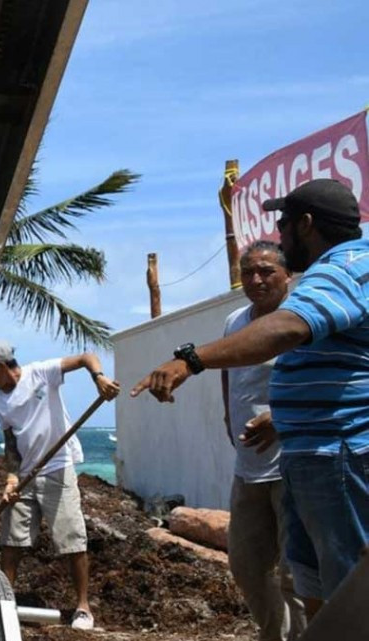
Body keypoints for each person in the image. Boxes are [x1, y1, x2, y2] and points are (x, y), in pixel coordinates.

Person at [130, 179, 369, 617]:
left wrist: (190, 360)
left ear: (307, 224)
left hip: (336, 455)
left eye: (283, 224)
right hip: (310, 456)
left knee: (350, 592)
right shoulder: (333, 272)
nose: (279, 232)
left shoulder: (345, 268)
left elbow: (287, 328)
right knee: (312, 581)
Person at [0, 339, 121, 631]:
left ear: (0, 367)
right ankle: (6, 604)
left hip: (58, 467)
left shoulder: (41, 373)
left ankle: (83, 608)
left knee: (71, 540)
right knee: (11, 541)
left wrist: (98, 378)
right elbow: (11, 442)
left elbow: (86, 357)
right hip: (25, 474)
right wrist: (12, 477)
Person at [221, 241, 307, 640]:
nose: (256, 279)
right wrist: (228, 414)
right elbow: (228, 370)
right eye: (248, 272)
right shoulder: (235, 321)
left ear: (287, 275)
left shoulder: (304, 319)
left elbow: (326, 379)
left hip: (294, 464)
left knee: (297, 573)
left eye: (267, 271)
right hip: (248, 468)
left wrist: (280, 415)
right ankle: (275, 634)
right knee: (245, 565)